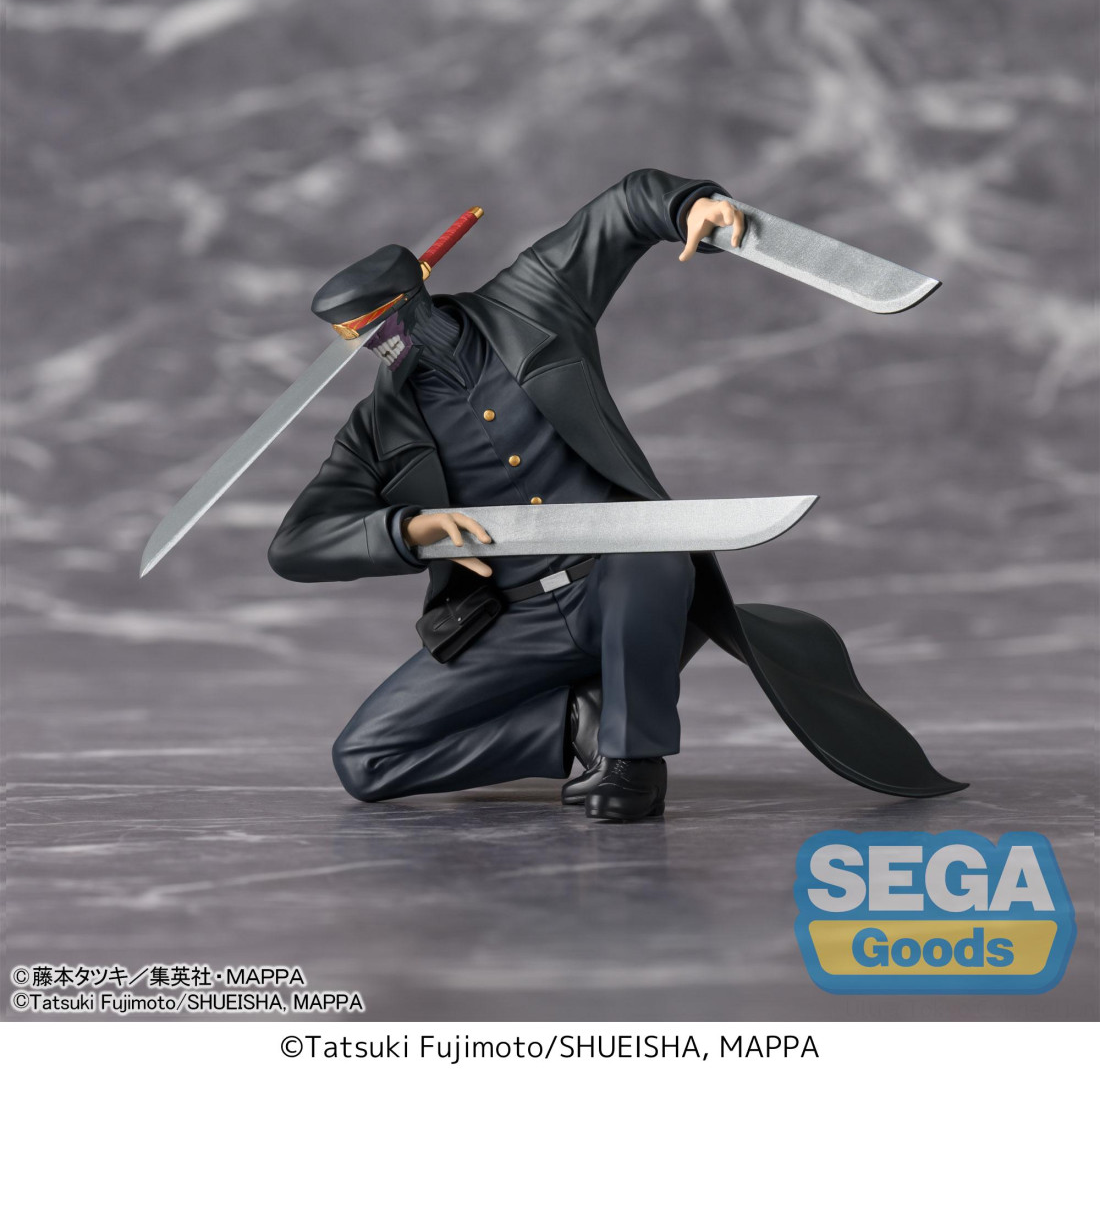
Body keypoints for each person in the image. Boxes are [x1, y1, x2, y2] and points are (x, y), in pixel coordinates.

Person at [268, 169, 965, 821]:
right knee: (365, 760)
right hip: (514, 620)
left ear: (412, 300)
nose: (378, 344)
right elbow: (295, 544)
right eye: (359, 337)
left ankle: (632, 763)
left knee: (649, 547)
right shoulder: (379, 426)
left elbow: (622, 210)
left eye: (381, 324)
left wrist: (686, 205)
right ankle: (580, 721)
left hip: (623, 578)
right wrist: (406, 531)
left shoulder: (530, 303)